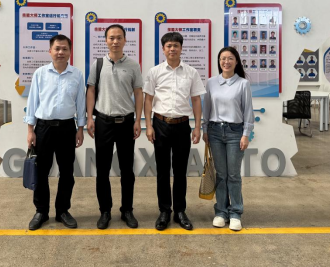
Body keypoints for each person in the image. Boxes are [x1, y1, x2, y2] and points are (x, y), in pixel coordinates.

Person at [144, 32, 206, 231]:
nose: (172, 49)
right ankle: (164, 211)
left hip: (182, 125)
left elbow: (196, 100)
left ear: (181, 48)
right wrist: (149, 126)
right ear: (163, 49)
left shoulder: (191, 72)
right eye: (169, 46)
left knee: (180, 171)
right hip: (160, 124)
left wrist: (197, 127)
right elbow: (148, 99)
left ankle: (180, 211)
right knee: (162, 171)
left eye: (176, 46)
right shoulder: (155, 72)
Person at [25, 34, 86, 231]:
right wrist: (30, 130)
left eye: (64, 49)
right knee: (41, 171)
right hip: (43, 128)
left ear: (70, 52)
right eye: (57, 48)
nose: (61, 52)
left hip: (67, 128)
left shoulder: (76, 74)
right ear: (50, 51)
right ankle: (41, 211)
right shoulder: (40, 73)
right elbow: (32, 101)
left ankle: (62, 211)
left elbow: (81, 103)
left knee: (67, 172)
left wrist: (80, 129)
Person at [86, 24, 143, 230]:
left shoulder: (133, 65)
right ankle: (105, 211)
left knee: (127, 170)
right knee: (102, 170)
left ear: (125, 40)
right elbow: (91, 91)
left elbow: (138, 93)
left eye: (119, 37)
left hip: (126, 122)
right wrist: (89, 117)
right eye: (111, 38)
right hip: (103, 122)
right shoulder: (98, 64)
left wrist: (138, 120)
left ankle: (127, 210)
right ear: (106, 40)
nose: (115, 41)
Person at [202, 46, 254, 231]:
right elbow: (207, 108)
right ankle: (221, 212)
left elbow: (248, 111)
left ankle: (235, 213)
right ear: (219, 62)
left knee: (233, 175)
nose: (226, 62)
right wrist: (205, 129)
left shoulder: (243, 84)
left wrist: (246, 134)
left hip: (235, 132)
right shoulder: (211, 82)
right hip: (215, 131)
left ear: (236, 61)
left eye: (230, 58)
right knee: (221, 174)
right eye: (223, 58)